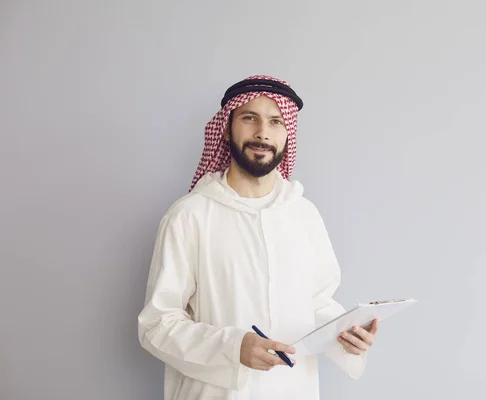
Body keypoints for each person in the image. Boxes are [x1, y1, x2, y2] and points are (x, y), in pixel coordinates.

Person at [137, 75, 379, 400]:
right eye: (249, 118)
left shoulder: (303, 215)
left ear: (287, 133)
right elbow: (157, 325)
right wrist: (234, 348)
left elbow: (316, 303)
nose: (262, 133)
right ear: (226, 127)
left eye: (275, 122)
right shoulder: (190, 215)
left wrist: (347, 333)